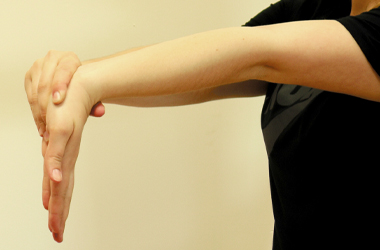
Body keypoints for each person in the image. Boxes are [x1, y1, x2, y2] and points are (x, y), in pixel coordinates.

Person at [24, 0, 380, 248]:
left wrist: (88, 82)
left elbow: (252, 55)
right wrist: (70, 79)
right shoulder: (315, 9)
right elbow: (208, 67)